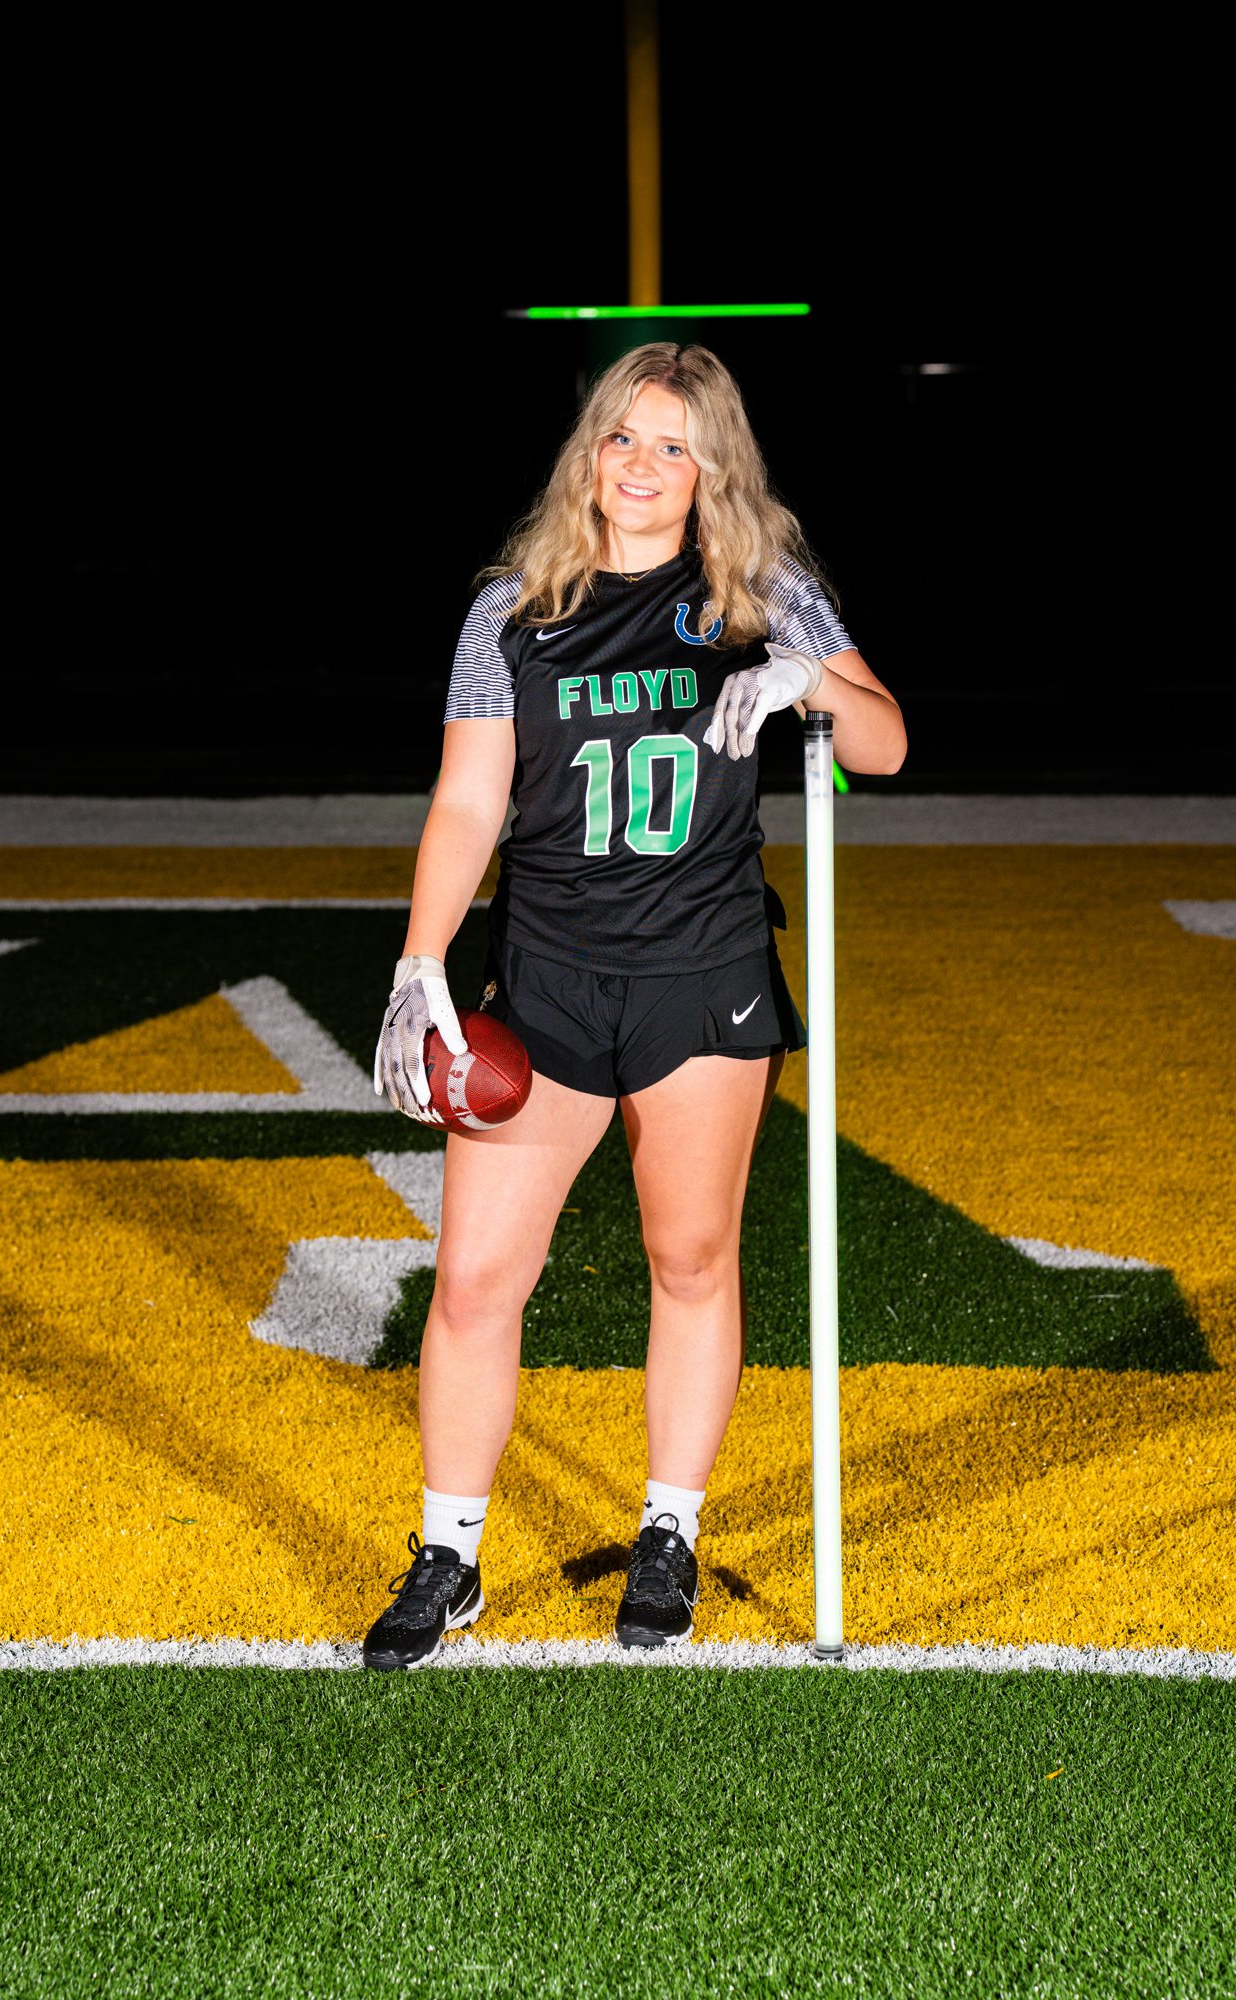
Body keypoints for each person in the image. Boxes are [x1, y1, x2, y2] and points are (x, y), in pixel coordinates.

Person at [363, 343, 905, 1670]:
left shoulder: (759, 591)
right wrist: (421, 959)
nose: (644, 466)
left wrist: (807, 681)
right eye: (623, 438)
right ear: (588, 451)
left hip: (700, 973)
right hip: (545, 972)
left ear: (714, 467)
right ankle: (448, 1554)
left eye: (675, 446)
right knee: (476, 1277)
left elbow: (884, 744)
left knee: (691, 1259)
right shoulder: (513, 607)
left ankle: (668, 1531)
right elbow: (469, 799)